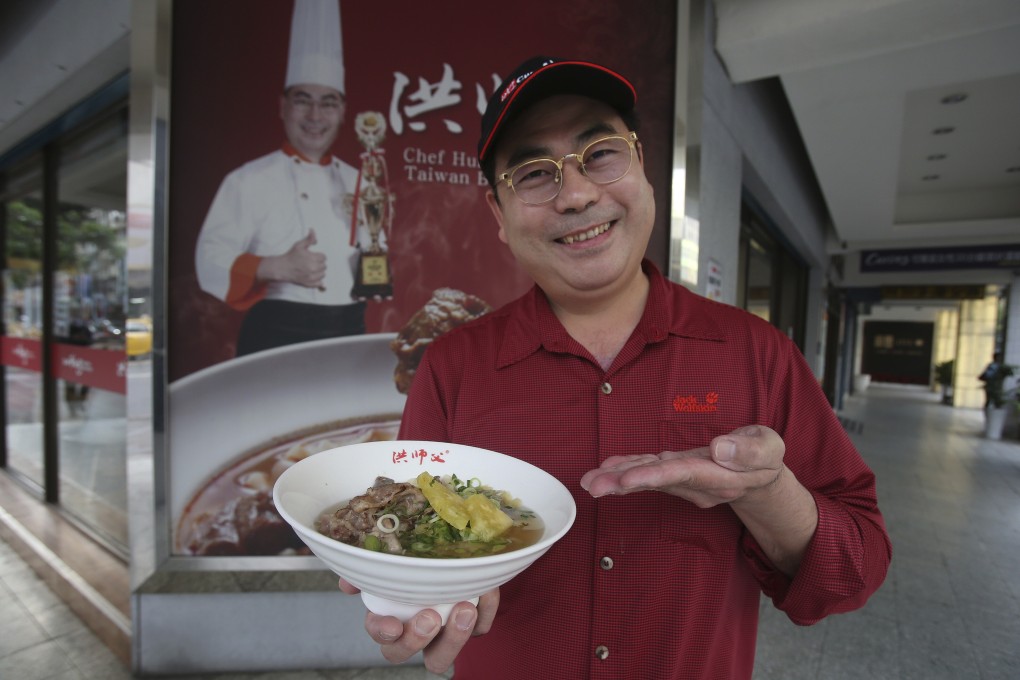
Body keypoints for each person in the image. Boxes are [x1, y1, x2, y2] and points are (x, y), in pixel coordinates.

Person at [339, 55, 892, 679]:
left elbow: (854, 572)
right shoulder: (450, 368)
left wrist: (768, 494)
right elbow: (420, 539)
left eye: (600, 152)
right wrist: (405, 585)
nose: (576, 194)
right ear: (498, 214)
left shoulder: (757, 355)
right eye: (532, 173)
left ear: (642, 168)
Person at [195, 0, 376, 356]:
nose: (314, 115)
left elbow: (372, 259)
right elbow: (208, 259)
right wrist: (275, 266)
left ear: (342, 112)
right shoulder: (248, 180)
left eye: (327, 103)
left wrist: (375, 268)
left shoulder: (362, 181)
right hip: (276, 333)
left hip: (349, 328)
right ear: (283, 106)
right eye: (302, 100)